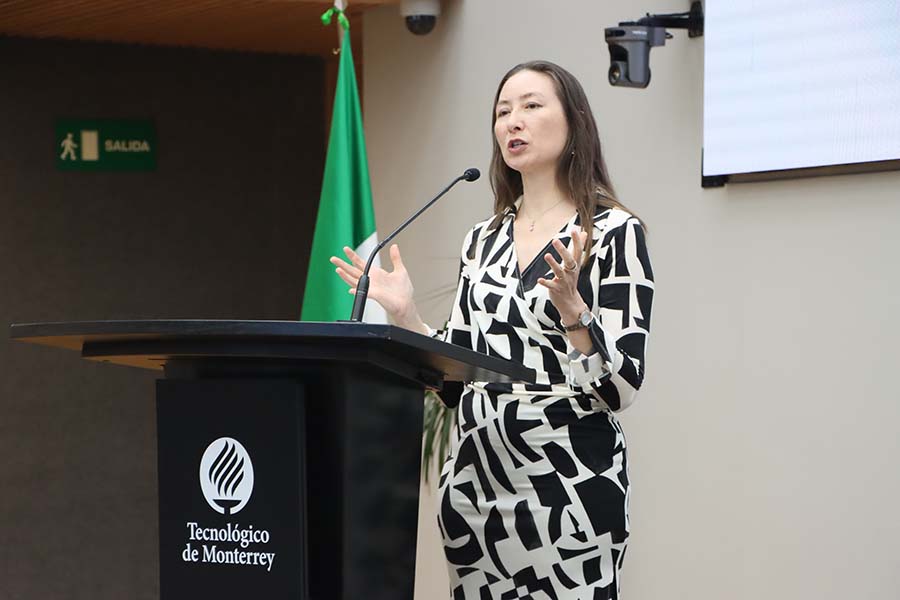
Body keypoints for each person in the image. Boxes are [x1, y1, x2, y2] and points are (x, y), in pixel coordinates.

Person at [331, 60, 653, 600]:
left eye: (531, 106)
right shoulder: (482, 240)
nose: (512, 122)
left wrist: (574, 311)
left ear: (574, 120)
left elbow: (620, 387)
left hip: (568, 487)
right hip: (477, 490)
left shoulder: (614, 232)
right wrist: (407, 317)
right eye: (503, 112)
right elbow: (458, 382)